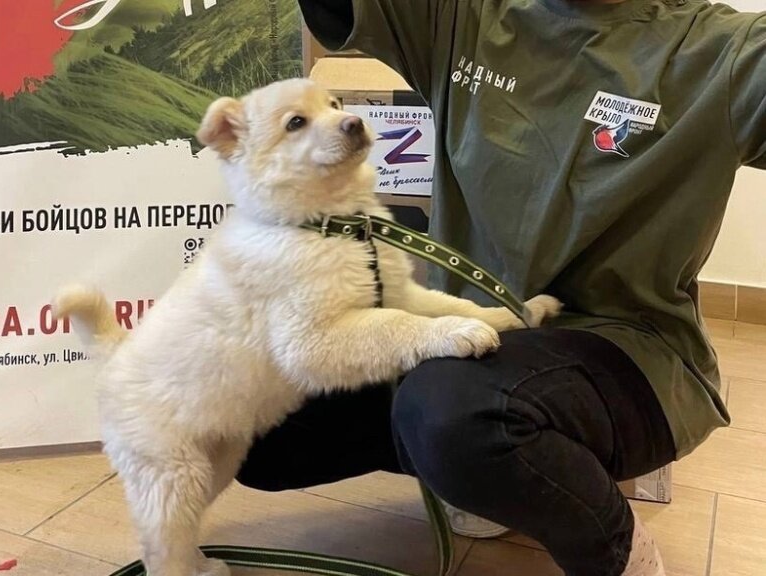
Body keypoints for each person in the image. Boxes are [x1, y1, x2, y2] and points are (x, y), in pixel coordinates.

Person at [235, 0, 766, 574]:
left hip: (623, 349)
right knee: (243, 407)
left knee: (454, 412)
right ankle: (485, 468)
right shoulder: (460, 15)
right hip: (462, 334)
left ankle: (622, 554)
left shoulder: (725, 51)